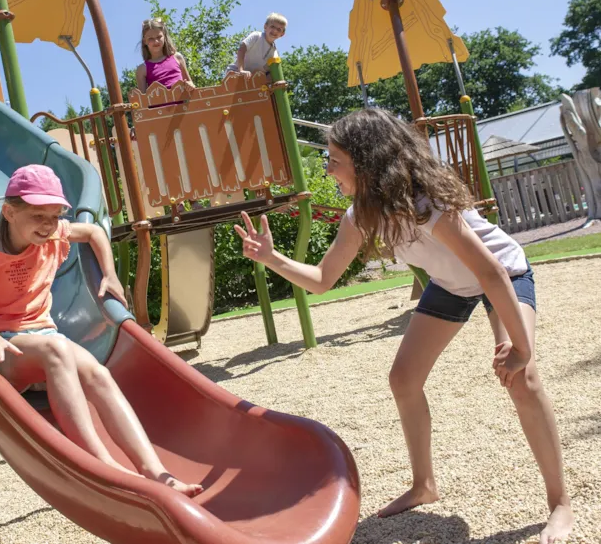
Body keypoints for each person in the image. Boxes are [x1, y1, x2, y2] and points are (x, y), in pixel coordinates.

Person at [234, 108, 573, 544]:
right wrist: (271, 258)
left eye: (334, 159)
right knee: (403, 379)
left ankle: (559, 504)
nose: (328, 169)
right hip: (452, 285)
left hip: (503, 275)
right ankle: (423, 485)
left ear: (365, 160)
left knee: (521, 379)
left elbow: (490, 272)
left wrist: (522, 348)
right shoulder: (360, 215)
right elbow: (322, 281)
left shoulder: (424, 204)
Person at [0, 164, 203, 497]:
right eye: (38, 216)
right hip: (6, 350)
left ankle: (157, 473)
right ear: (9, 212)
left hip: (46, 338)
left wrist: (109, 273)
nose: (49, 225)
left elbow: (93, 233)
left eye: (54, 216)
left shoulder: (54, 233)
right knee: (59, 350)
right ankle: (102, 465)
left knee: (98, 374)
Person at [135, 18, 194, 92]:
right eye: (151, 39)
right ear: (144, 41)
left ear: (164, 36)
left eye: (159, 37)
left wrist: (190, 85)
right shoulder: (142, 69)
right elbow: (143, 99)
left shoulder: (177, 58)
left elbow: (190, 83)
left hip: (182, 103)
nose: (156, 41)